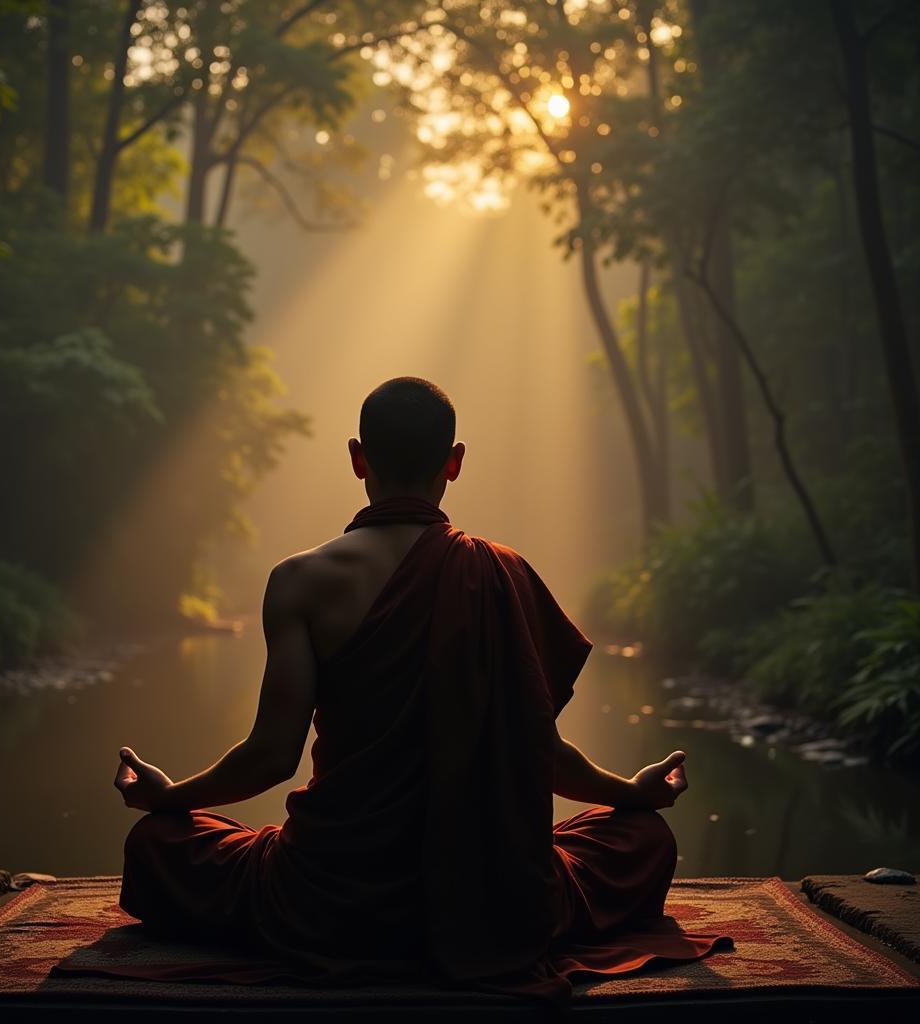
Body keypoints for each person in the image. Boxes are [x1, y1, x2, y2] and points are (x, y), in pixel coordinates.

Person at [113, 376, 732, 1008]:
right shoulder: (502, 572)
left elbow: (271, 757)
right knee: (644, 839)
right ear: (454, 462)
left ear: (358, 459)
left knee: (158, 847)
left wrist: (172, 796)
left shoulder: (300, 581)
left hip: (331, 898)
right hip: (491, 898)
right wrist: (631, 793)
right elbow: (541, 753)